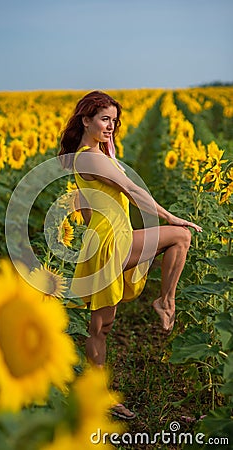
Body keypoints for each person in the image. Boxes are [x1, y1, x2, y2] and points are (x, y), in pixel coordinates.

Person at [58, 90, 202, 419]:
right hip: (112, 242)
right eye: (104, 119)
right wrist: (170, 217)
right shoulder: (90, 157)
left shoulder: (92, 154)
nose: (111, 125)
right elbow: (133, 190)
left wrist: (108, 145)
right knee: (180, 235)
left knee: (102, 325)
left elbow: (88, 202)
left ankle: (98, 391)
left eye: (114, 120)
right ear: (86, 120)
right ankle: (165, 301)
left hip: (107, 239)